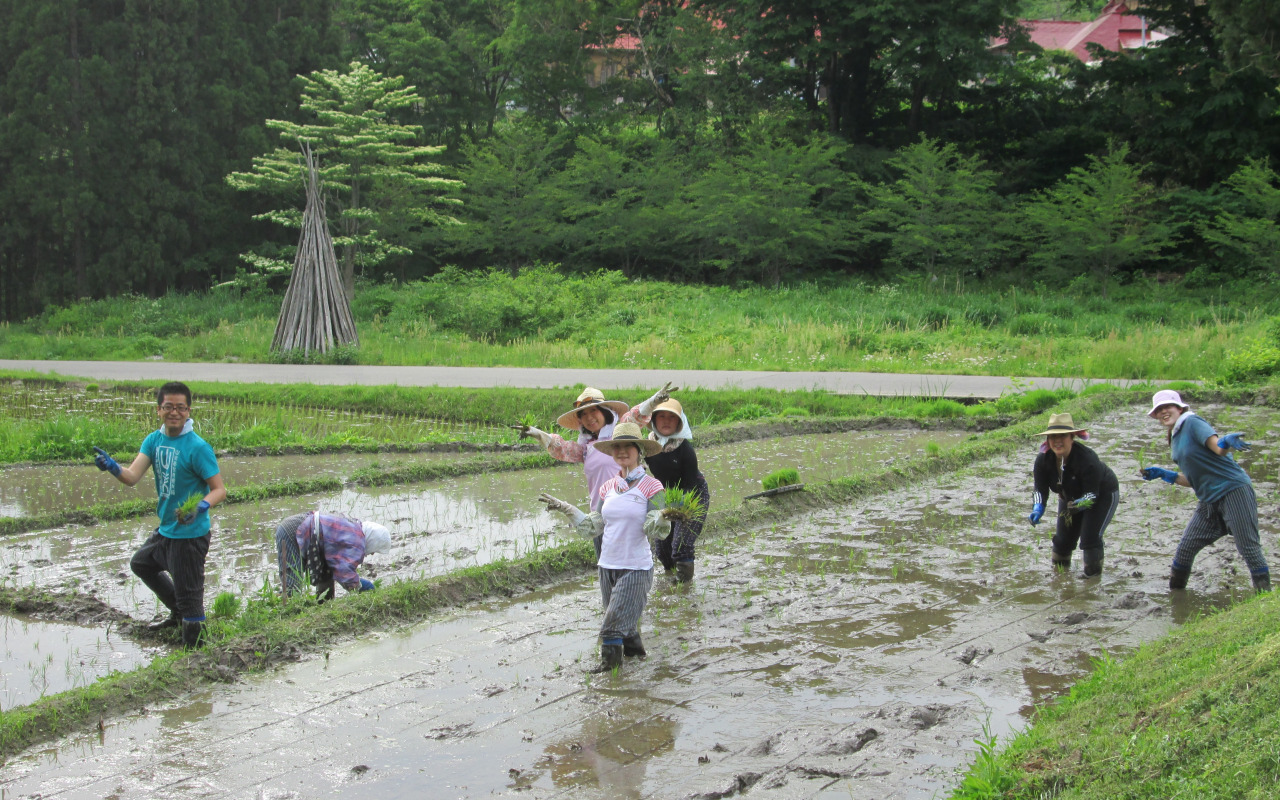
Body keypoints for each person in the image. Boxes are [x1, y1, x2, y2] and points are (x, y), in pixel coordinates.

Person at [93, 381, 226, 647]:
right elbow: (132, 477)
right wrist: (112, 467)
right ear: (159, 410)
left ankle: (195, 655)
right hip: (166, 529)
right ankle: (178, 614)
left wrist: (201, 506)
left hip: (189, 536)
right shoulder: (154, 440)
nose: (173, 412)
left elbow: (219, 489)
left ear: (188, 411)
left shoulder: (197, 447)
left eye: (180, 407)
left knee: (191, 600)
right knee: (141, 564)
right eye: (168, 407)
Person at [537, 422, 671, 673]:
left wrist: (663, 517)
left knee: (611, 627)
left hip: (635, 568)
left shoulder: (653, 487)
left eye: (627, 447)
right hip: (607, 567)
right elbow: (594, 526)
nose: (621, 452)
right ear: (611, 452)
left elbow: (656, 531)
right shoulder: (608, 487)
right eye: (616, 447)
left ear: (639, 450)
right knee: (625, 625)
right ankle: (639, 663)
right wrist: (567, 509)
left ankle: (609, 677)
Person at [1141, 389, 1271, 593]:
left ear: (1179, 407)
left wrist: (1226, 442)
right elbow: (1195, 480)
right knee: (1185, 551)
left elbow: (1217, 447)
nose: (1163, 411)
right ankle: (1176, 601)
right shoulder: (1175, 435)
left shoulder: (1192, 422)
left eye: (1167, 406)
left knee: (1248, 548)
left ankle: (1265, 598)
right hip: (1208, 500)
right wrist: (1167, 475)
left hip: (1233, 491)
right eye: (1159, 409)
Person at [514, 383, 676, 514]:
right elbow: (561, 448)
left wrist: (653, 401)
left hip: (629, 510)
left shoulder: (619, 435)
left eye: (593, 411)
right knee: (603, 555)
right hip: (599, 512)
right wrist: (536, 434)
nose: (589, 417)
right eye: (583, 414)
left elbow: (633, 418)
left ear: (605, 413)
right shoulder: (585, 448)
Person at [1028, 413, 1119, 579]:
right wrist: (1038, 507)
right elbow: (1039, 490)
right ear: (1047, 440)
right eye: (1053, 437)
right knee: (1062, 541)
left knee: (1090, 539)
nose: (1057, 441)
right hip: (1069, 496)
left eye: (1062, 436)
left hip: (1101, 494)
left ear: (1072, 437)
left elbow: (1092, 494)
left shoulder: (1087, 459)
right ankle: (1060, 578)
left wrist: (1080, 504)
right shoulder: (1043, 461)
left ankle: (1092, 583)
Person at [644, 398, 710, 583]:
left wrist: (678, 508)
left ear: (679, 423)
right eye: (661, 416)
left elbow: (690, 485)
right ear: (654, 421)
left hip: (693, 496)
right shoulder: (648, 448)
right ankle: (669, 578)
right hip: (666, 496)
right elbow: (637, 469)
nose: (666, 421)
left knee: (681, 544)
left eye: (671, 418)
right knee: (663, 549)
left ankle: (683, 586)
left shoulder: (685, 450)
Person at [274, 512, 392, 601]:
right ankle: (286, 612)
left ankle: (324, 604)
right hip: (292, 530)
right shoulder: (357, 540)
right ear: (373, 540)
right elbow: (344, 572)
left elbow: (337, 566)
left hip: (303, 526)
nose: (372, 554)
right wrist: (361, 586)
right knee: (292, 585)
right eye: (375, 550)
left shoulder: (353, 529)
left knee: (327, 571)